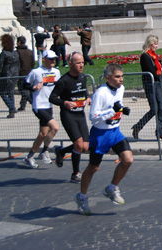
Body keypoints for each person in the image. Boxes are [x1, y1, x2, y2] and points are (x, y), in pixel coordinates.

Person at [74, 64, 133, 215]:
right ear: (108, 78)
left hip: (115, 132)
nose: (121, 79)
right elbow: (93, 117)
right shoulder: (100, 93)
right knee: (93, 168)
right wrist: (112, 111)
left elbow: (116, 105)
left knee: (128, 160)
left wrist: (122, 109)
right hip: (100, 135)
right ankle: (82, 197)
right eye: (117, 77)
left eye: (122, 76)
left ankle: (112, 188)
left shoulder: (121, 89)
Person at [50, 52, 91, 183]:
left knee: (85, 146)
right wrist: (65, 103)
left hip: (80, 114)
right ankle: (75, 173)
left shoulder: (83, 77)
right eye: (78, 63)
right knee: (78, 145)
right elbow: (52, 98)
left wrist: (88, 97)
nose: (81, 65)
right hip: (68, 115)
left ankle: (61, 151)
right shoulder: (64, 81)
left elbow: (84, 91)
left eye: (82, 62)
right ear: (71, 64)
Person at [22, 50, 61, 168]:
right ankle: (44, 151)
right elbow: (24, 85)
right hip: (39, 105)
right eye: (50, 59)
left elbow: (60, 87)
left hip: (49, 105)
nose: (53, 61)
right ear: (44, 59)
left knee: (43, 133)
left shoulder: (56, 72)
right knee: (55, 127)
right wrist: (34, 87)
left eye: (54, 58)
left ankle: (29, 157)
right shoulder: (36, 72)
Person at [132, 35, 162, 141]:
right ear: (150, 44)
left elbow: (157, 69)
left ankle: (160, 131)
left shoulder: (154, 56)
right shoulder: (145, 56)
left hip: (157, 84)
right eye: (155, 44)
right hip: (150, 84)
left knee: (161, 107)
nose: (156, 46)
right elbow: (151, 71)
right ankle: (138, 127)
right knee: (154, 109)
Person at [0, 34, 20, 118]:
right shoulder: (15, 53)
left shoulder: (4, 53)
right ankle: (12, 109)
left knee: (2, 93)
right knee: (10, 92)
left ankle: (11, 108)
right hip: (15, 74)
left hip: (6, 74)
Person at [16, 36, 34, 112]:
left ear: (19, 42)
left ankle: (33, 102)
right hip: (29, 72)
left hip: (21, 73)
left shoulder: (17, 52)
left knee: (23, 90)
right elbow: (33, 63)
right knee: (27, 89)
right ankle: (22, 105)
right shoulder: (30, 52)